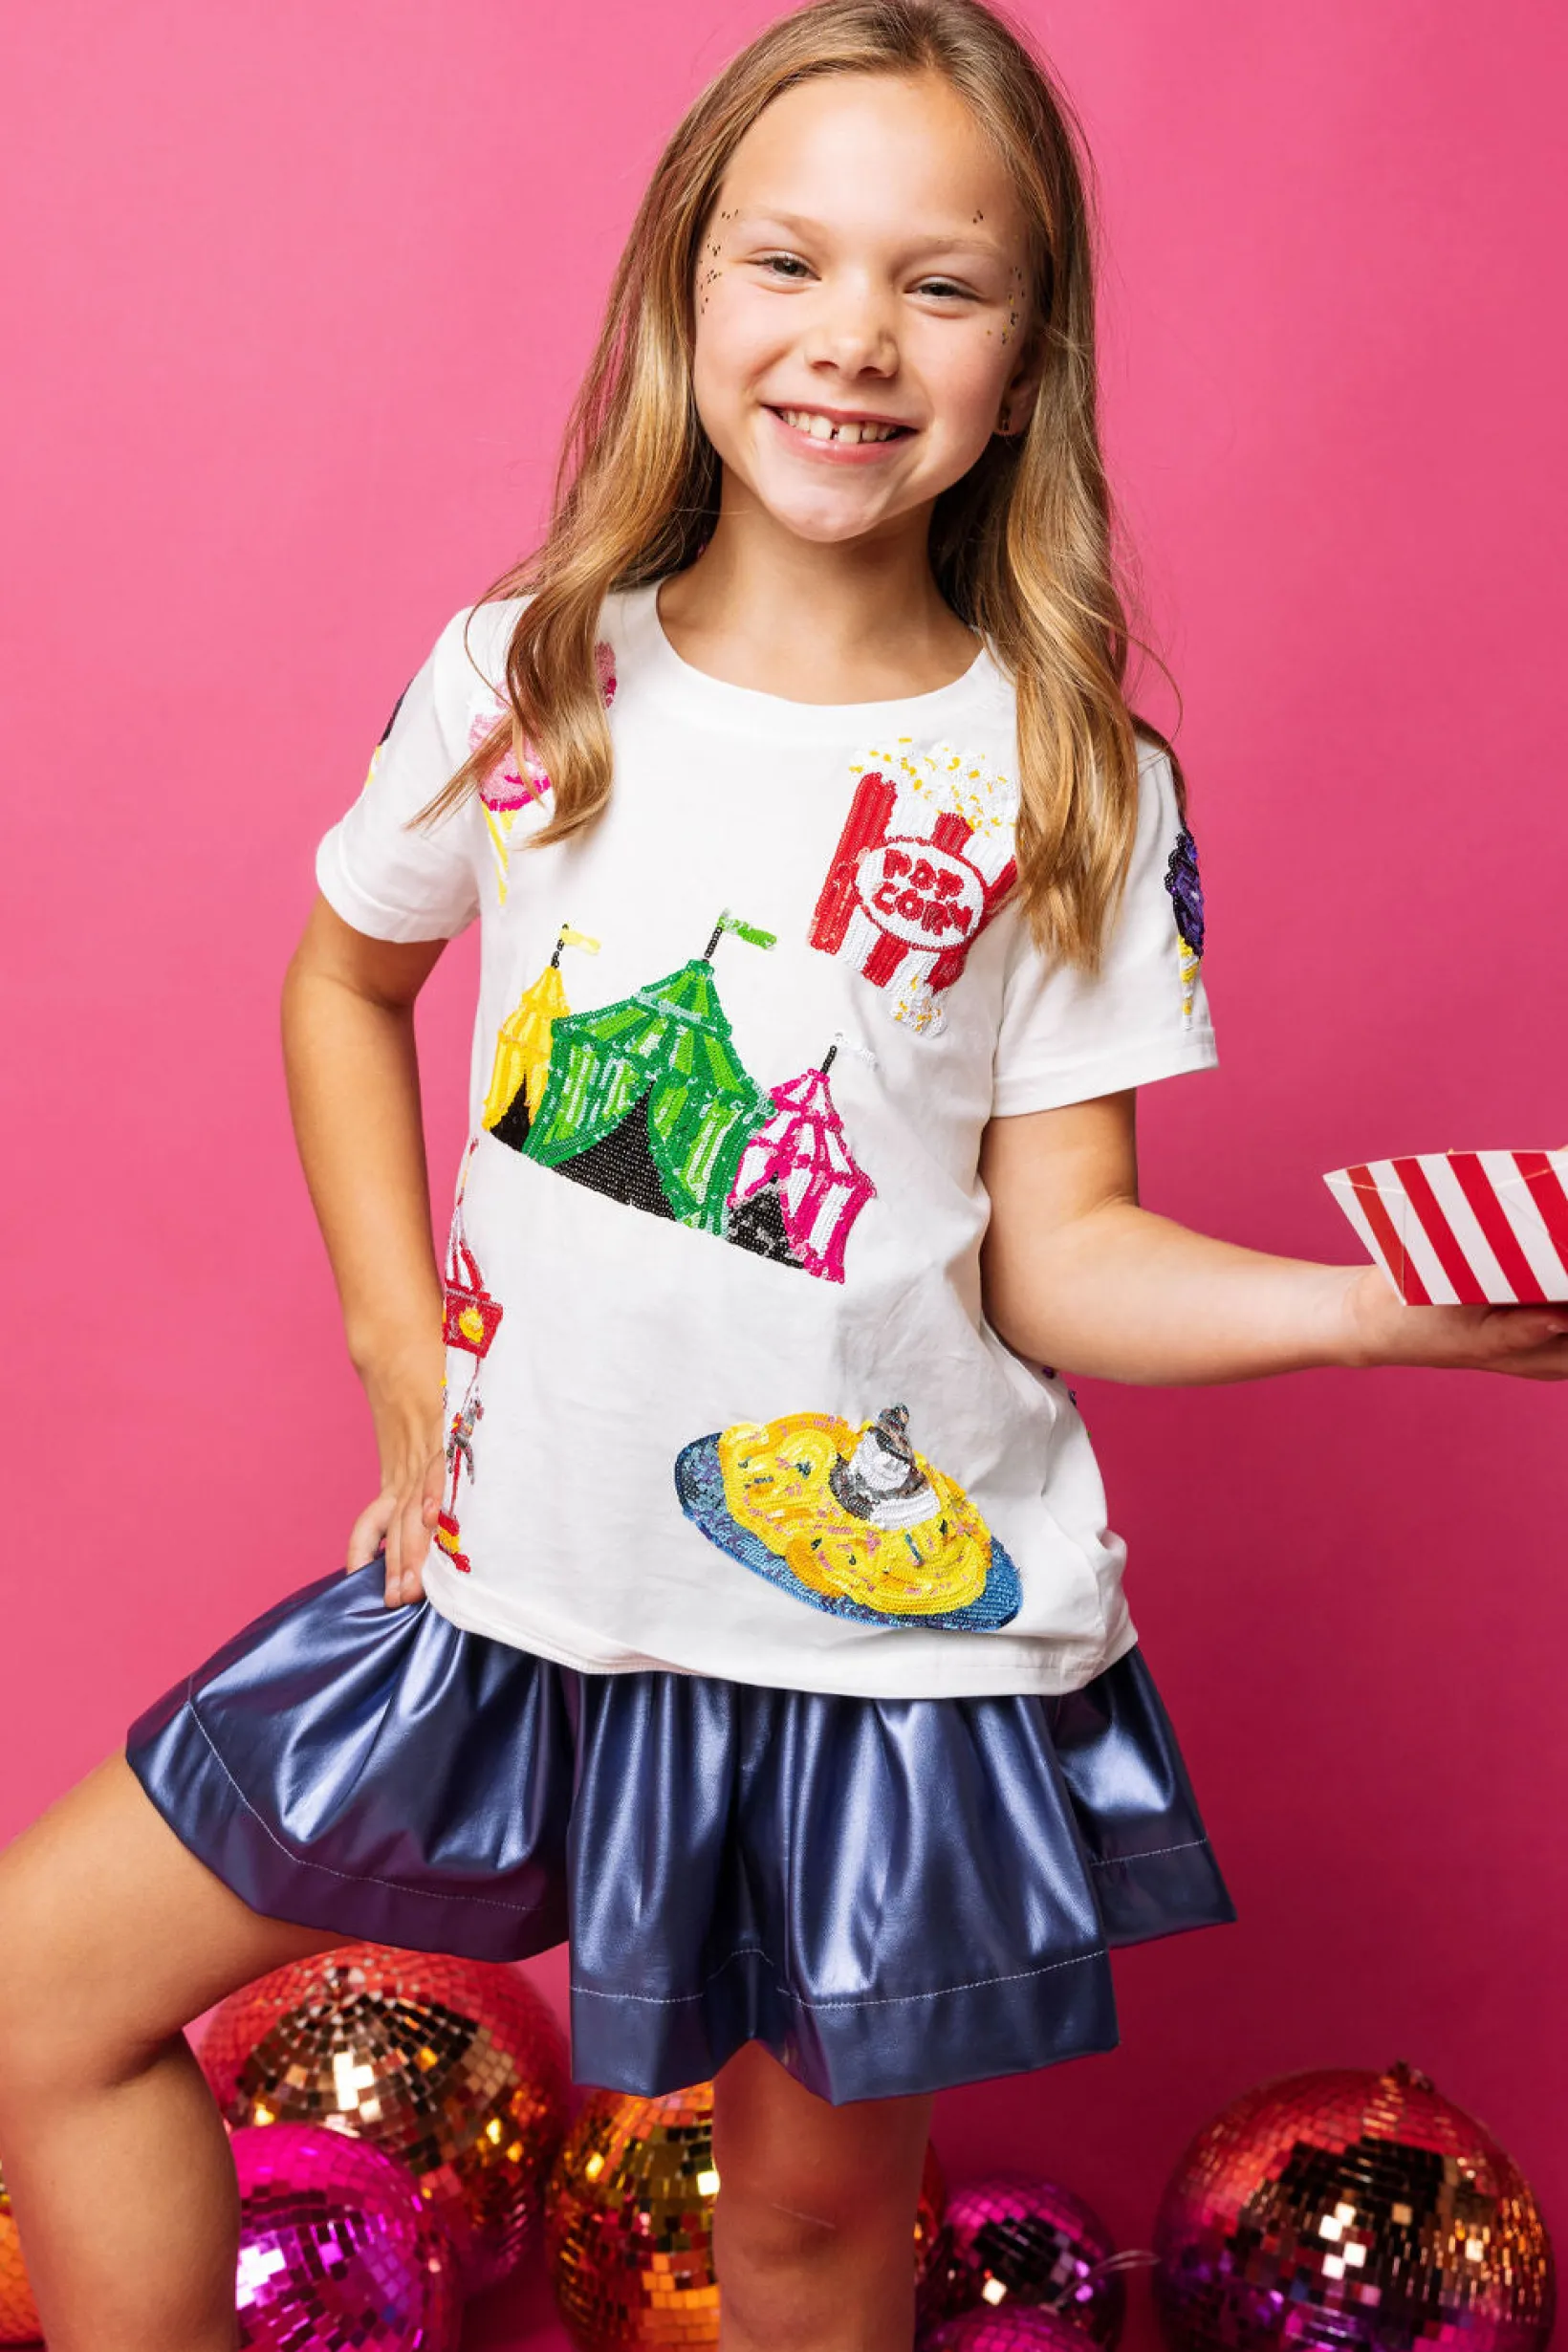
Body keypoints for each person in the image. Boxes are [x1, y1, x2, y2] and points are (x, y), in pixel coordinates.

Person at [1, 4, 1563, 2348]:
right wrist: (396, 1354)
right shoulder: (531, 674)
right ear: (683, 292)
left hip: (871, 1670)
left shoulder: (1069, 781)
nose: (855, 336)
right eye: (788, 260)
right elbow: (342, 980)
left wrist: (1376, 1311)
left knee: (812, 2247)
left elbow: (1062, 1260)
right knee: (45, 1997)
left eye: (942, 284)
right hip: (507, 1588)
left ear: (1026, 364)